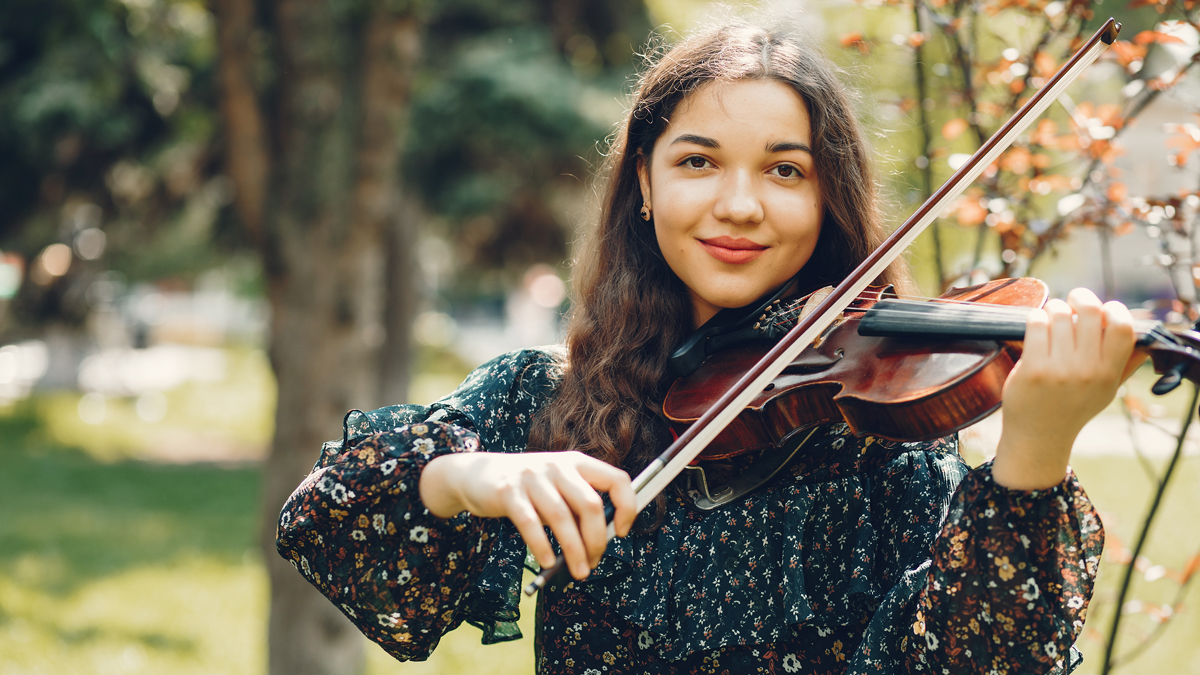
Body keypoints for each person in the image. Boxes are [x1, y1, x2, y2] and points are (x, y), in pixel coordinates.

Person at [276, 19, 1139, 675]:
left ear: (828, 202)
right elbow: (325, 522)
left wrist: (1035, 449)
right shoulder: (547, 401)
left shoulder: (875, 436)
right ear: (644, 182)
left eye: (784, 170)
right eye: (698, 162)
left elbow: (981, 658)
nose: (738, 204)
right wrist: (469, 476)